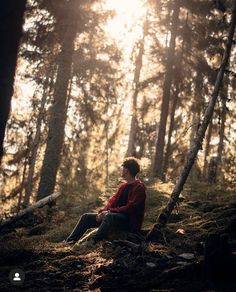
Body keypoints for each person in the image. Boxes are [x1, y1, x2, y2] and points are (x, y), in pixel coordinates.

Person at [64, 157, 146, 247]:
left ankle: (92, 241)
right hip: (115, 216)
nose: (121, 170)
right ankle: (69, 242)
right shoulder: (123, 186)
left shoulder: (139, 187)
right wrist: (102, 212)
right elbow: (112, 202)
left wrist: (109, 212)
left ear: (126, 170)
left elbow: (131, 208)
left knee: (109, 216)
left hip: (129, 222)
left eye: (123, 168)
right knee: (86, 217)